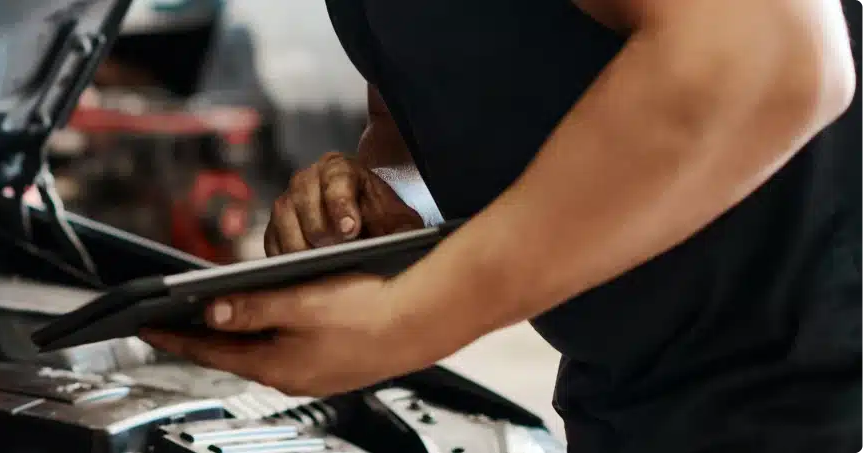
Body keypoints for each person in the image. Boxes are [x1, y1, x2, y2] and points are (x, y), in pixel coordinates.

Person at [136, 1, 862, 451]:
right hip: (636, 397)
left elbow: (775, 54)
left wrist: (407, 321)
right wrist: (383, 200)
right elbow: (416, 114)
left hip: (814, 382)